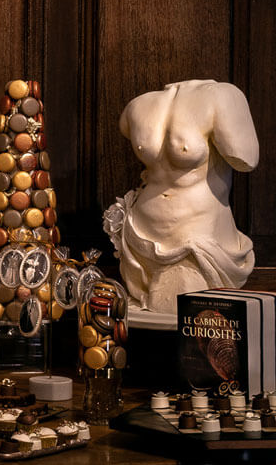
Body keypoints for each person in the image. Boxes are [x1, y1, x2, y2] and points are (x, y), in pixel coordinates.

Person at [103, 79, 259, 316]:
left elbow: (246, 158)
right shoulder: (139, 105)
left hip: (197, 240)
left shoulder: (221, 97)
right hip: (140, 242)